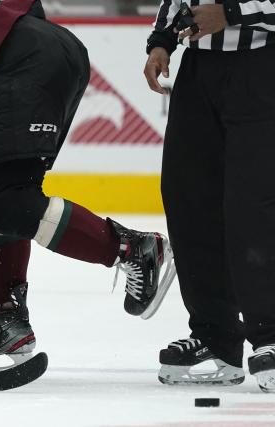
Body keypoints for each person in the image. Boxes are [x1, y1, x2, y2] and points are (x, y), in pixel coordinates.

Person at [0, 0, 175, 366]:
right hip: (34, 57)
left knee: (8, 200)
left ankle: (131, 248)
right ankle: (9, 319)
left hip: (27, 59)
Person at [144, 1, 275, 391]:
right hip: (199, 73)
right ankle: (215, 335)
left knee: (254, 206)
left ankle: (269, 334)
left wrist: (233, 13)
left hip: (262, 68)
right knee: (190, 202)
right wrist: (162, 41)